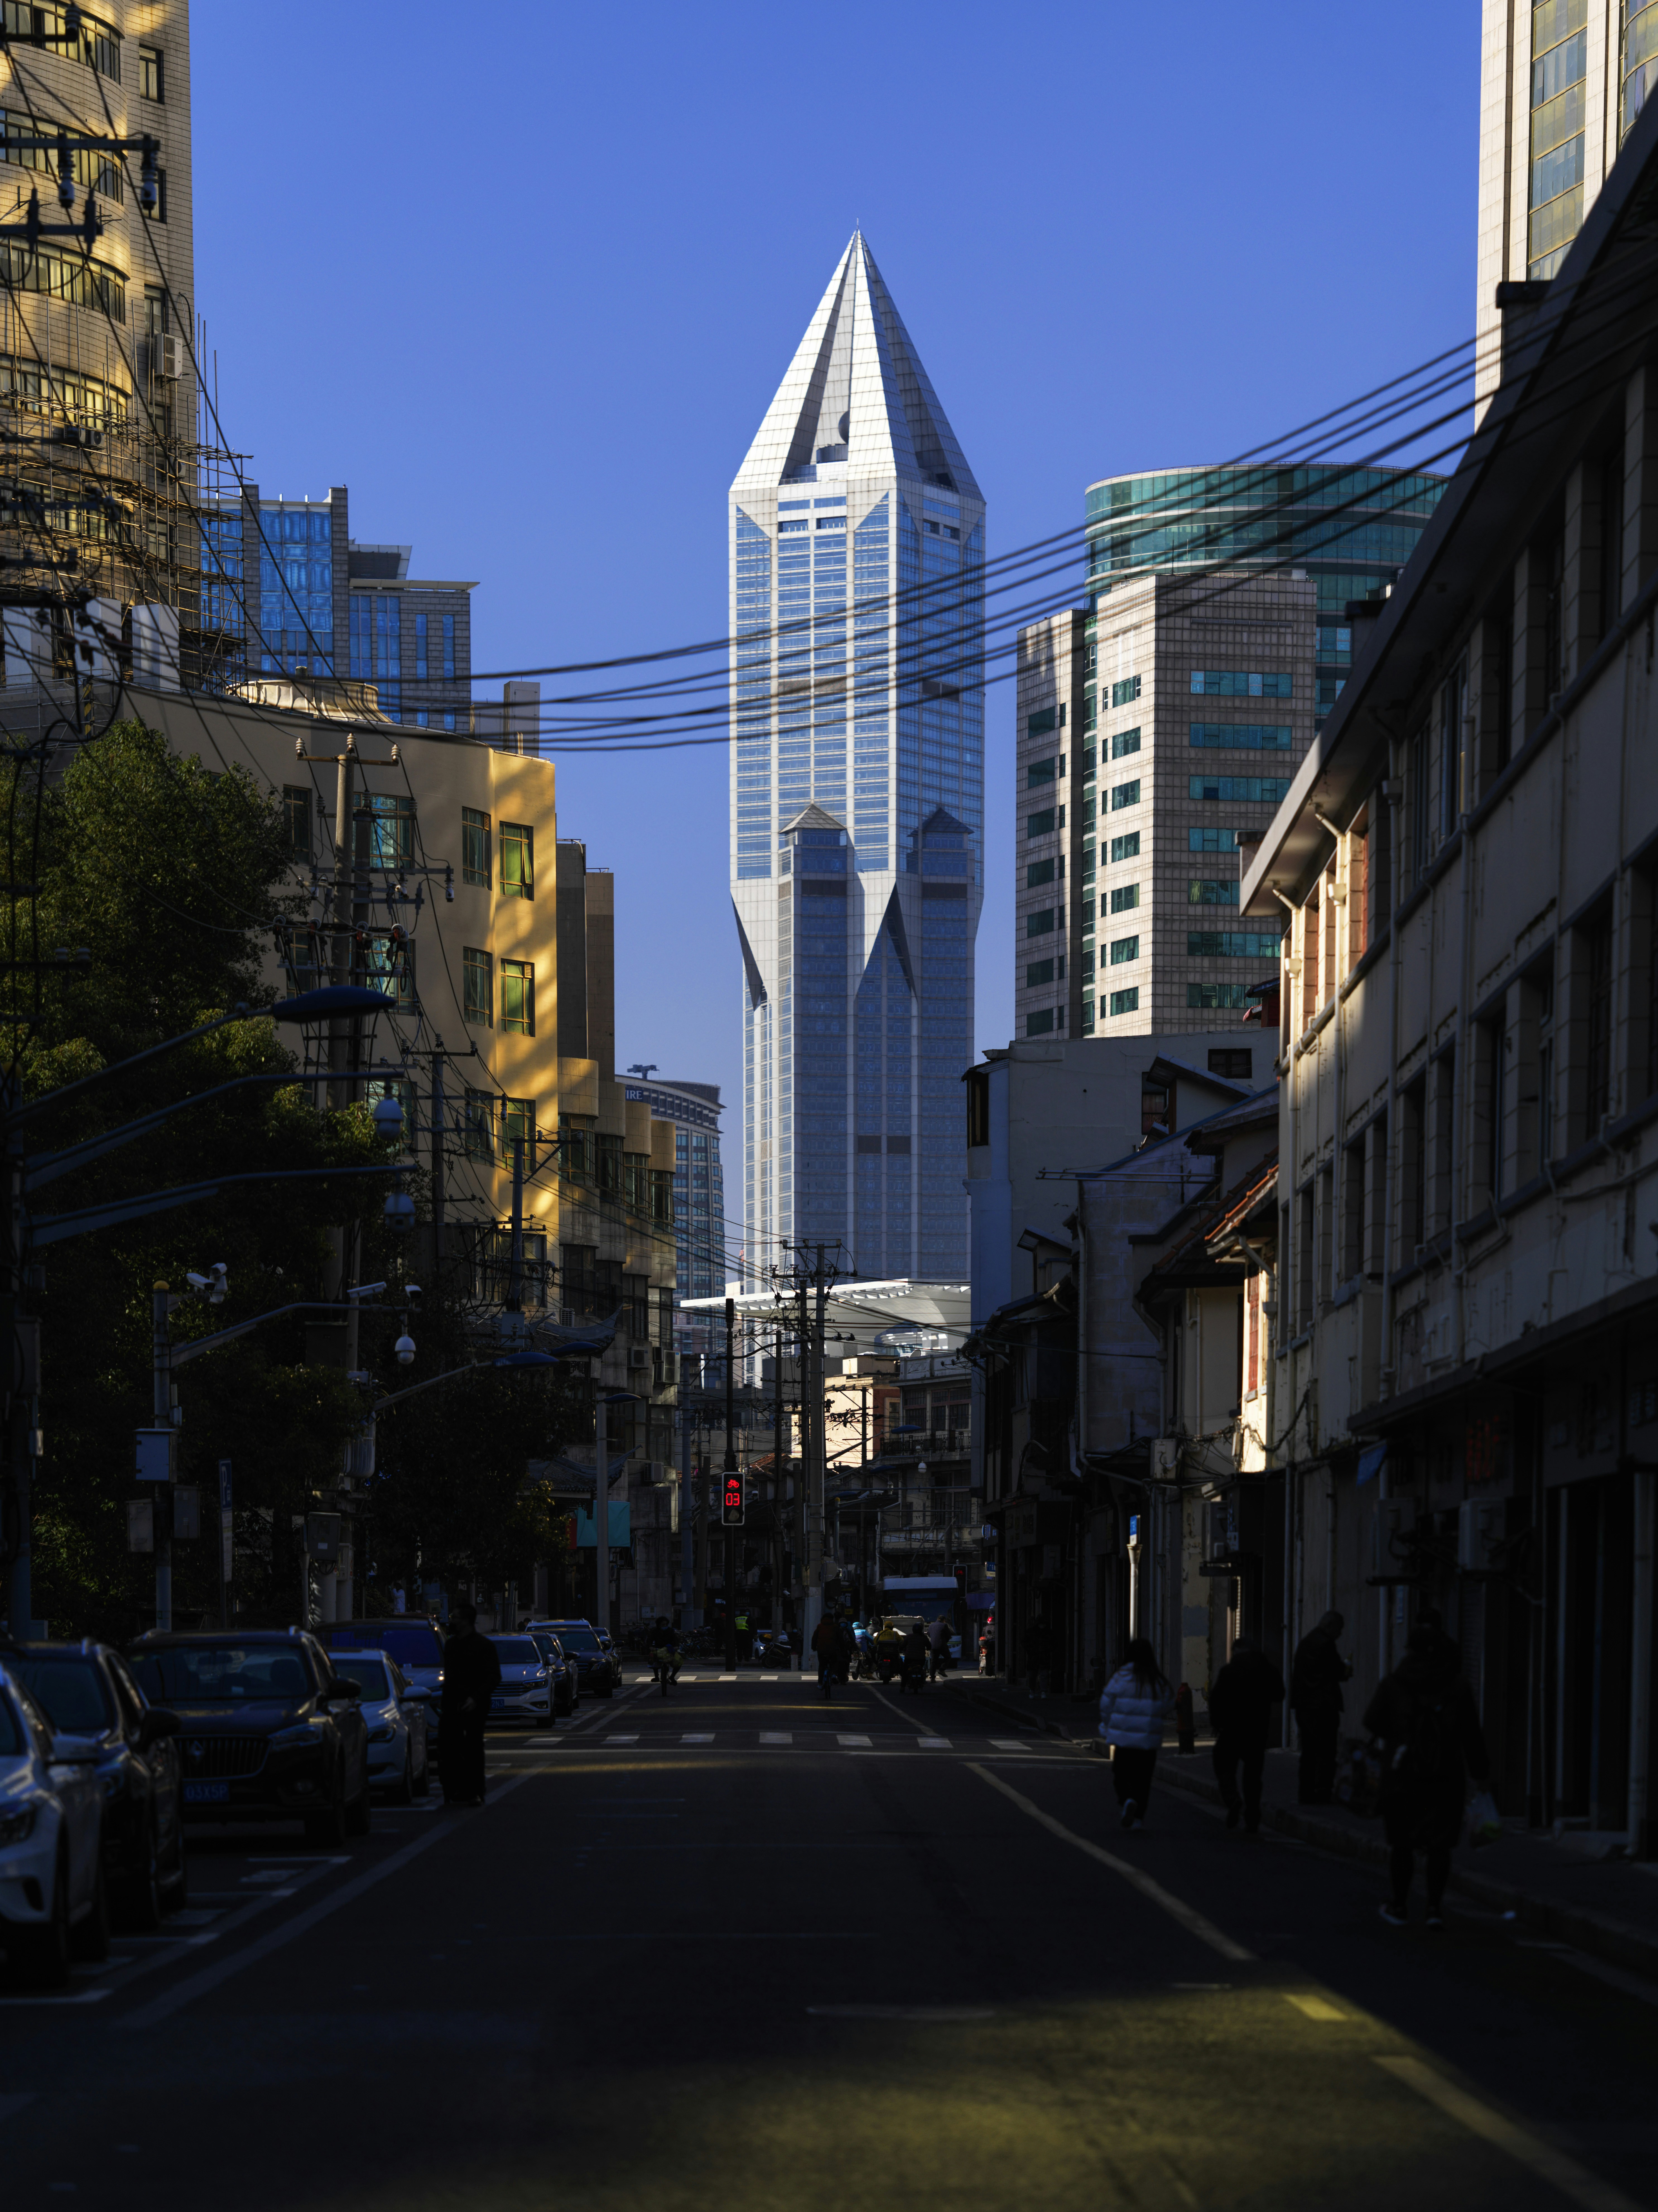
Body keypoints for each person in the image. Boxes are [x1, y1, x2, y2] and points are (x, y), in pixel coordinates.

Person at [1365, 1624, 1491, 1929]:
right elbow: (1471, 1735)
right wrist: (1482, 1776)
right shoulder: (1458, 1686)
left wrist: (1400, 1737)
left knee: (1402, 1843)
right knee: (1439, 1845)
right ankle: (1434, 1907)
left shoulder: (1395, 1684)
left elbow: (1372, 1721)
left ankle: (1400, 1905)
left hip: (1402, 1774)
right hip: (1446, 1775)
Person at [1209, 1635, 1286, 1832]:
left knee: (1223, 1765)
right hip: (1257, 1730)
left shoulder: (1229, 1671)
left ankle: (1233, 1799)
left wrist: (1217, 1724)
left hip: (1232, 1729)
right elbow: (1280, 1694)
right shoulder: (1267, 1670)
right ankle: (1252, 1818)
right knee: (1253, 1777)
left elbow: (1216, 1700)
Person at [1098, 1638, 1173, 1830]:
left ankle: (1126, 1800)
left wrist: (1108, 1726)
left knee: (1121, 1775)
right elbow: (1167, 1705)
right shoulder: (1157, 1679)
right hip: (1148, 1738)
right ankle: (1138, 1817)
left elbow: (1106, 1705)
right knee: (1143, 1778)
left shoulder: (1121, 1676)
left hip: (1123, 1738)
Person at [438, 1600, 501, 1806]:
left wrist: (476, 1698)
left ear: (466, 1621)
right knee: (450, 1748)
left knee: (473, 1747)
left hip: (476, 1704)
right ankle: (452, 1789)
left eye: (455, 1617)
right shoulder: (451, 1646)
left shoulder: (484, 1647)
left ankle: (475, 1789)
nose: (453, 1621)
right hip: (452, 1705)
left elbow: (493, 1677)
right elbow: (449, 1677)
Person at [1290, 1610, 1351, 1804]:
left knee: (1309, 1752)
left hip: (1304, 1706)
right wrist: (1346, 1669)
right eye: (1339, 1629)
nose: (1340, 1634)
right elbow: (1336, 1671)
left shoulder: (1306, 1642)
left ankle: (1305, 1792)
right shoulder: (1325, 1645)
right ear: (1330, 1627)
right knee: (1326, 1751)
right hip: (1322, 1707)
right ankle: (1323, 1791)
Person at [810, 1613, 842, 1701]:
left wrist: (814, 1648)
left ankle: (820, 1683)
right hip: (833, 1650)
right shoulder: (835, 1627)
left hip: (821, 1650)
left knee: (822, 1666)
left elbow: (814, 1638)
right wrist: (842, 1648)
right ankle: (833, 1675)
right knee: (835, 1662)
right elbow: (841, 1639)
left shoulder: (820, 1626)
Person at [1025, 1616, 1052, 1700]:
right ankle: (1036, 1691)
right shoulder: (1034, 1632)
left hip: (1040, 1657)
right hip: (1037, 1657)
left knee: (1041, 1674)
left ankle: (1039, 1691)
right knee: (1035, 1675)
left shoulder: (1046, 1633)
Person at [650, 1616, 682, 1684]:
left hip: (669, 1650)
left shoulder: (671, 1631)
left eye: (666, 1625)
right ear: (659, 1625)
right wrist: (651, 1647)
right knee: (654, 1660)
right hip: (659, 1649)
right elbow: (650, 1640)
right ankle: (657, 1677)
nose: (665, 1626)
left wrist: (676, 1646)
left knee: (679, 1662)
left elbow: (675, 1639)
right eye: (663, 1625)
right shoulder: (655, 1631)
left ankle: (672, 1677)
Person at [900, 1620, 929, 1695]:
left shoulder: (909, 1637)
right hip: (921, 1659)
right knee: (922, 1668)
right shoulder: (925, 1638)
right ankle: (922, 1680)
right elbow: (929, 1647)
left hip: (909, 1658)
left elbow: (902, 1646)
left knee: (905, 1672)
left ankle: (902, 1687)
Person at [875, 1617, 903, 1685]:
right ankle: (904, 1676)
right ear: (892, 1627)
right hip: (893, 1653)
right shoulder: (895, 1633)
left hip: (881, 1653)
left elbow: (875, 1642)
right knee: (900, 1663)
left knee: (876, 1660)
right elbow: (902, 1641)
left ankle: (876, 1668)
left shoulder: (880, 1633)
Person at [927, 1614, 952, 1682]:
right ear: (944, 1621)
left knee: (934, 1662)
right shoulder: (944, 1625)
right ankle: (942, 1669)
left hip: (933, 1646)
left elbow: (929, 1635)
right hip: (942, 1645)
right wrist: (945, 1642)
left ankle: (932, 1677)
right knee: (948, 1657)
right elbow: (949, 1635)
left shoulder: (931, 1626)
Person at [1173, 1681, 1196, 1755]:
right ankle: (1189, 1749)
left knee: (1184, 1733)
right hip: (1188, 1722)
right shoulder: (1188, 1691)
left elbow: (1177, 1703)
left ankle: (1183, 1750)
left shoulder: (1182, 1691)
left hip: (1183, 1722)